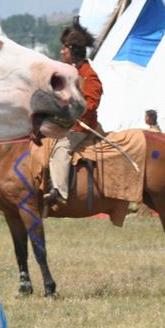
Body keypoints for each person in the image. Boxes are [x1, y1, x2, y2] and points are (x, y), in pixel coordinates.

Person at [45, 18, 103, 207]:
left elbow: (92, 103)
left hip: (80, 126)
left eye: (65, 49)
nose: (61, 51)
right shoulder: (67, 71)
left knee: (61, 147)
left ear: (73, 51)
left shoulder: (89, 75)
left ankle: (59, 193)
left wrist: (73, 108)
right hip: (66, 122)